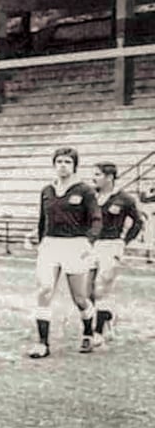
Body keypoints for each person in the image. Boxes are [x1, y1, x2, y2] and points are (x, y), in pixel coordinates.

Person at [25, 148, 101, 357]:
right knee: (44, 291)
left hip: (75, 244)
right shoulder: (47, 190)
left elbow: (96, 219)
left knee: (80, 297)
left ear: (74, 165)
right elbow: (43, 220)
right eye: (59, 161)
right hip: (50, 244)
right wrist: (38, 239)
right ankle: (43, 343)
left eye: (67, 161)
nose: (62, 165)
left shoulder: (84, 190)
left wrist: (89, 241)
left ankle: (88, 333)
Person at [87, 162, 143, 348]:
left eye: (97, 174)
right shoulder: (92, 197)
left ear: (109, 177)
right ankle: (108, 316)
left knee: (101, 288)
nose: (93, 178)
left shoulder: (124, 198)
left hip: (111, 244)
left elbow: (138, 221)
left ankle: (98, 331)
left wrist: (124, 241)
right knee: (87, 291)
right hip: (92, 245)